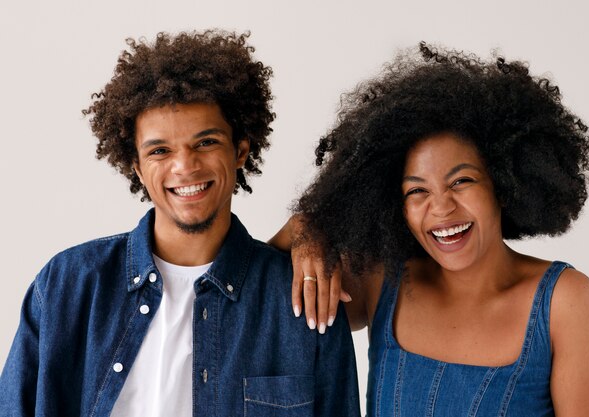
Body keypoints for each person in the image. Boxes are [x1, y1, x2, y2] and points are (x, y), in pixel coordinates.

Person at [0, 30, 360, 417]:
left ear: (240, 151)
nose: (185, 166)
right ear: (137, 167)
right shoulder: (67, 285)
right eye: (160, 150)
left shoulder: (300, 298)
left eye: (205, 143)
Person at [272, 43, 589, 416]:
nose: (441, 208)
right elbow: (259, 293)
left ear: (504, 183)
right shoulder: (381, 283)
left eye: (461, 181)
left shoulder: (564, 303)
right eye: (417, 190)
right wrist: (307, 228)